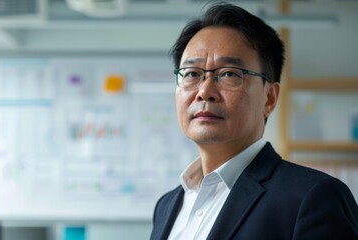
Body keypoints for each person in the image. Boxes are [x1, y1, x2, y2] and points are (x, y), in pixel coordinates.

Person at [150, 2, 358, 240]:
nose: (205, 91)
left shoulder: (313, 198)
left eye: (229, 74)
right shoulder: (166, 206)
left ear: (269, 98)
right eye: (192, 74)